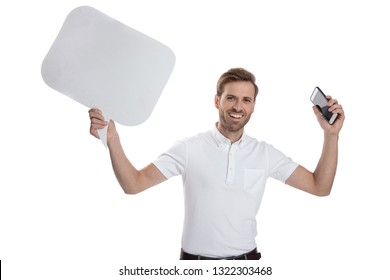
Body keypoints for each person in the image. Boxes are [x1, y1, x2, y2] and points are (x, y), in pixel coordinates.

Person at [88, 68, 345, 260]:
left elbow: (320, 187)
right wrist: (112, 139)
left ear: (254, 106)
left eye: (247, 100)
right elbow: (134, 184)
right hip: (194, 264)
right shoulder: (189, 148)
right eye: (231, 98)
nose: (238, 107)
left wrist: (330, 136)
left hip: (247, 263)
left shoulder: (265, 154)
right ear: (217, 101)